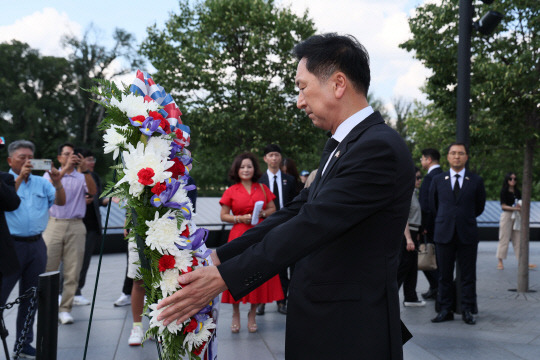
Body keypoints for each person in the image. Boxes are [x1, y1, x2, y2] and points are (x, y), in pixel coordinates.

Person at [157, 33, 414, 359]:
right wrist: (220, 257)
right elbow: (297, 210)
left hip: (349, 329)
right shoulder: (343, 144)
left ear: (337, 84)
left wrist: (224, 279)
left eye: (302, 87)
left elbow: (311, 225)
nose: (299, 101)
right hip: (328, 320)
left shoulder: (376, 147)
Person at [1, 140, 65, 359]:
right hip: (10, 246)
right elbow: (8, 200)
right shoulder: (5, 179)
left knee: (31, 297)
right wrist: (20, 177)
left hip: (37, 244)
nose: (28, 161)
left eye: (31, 157)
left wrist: (57, 183)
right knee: (2, 295)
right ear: (10, 160)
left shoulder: (42, 182)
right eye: (22, 157)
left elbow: (61, 202)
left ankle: (24, 343)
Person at [219, 153, 280, 332]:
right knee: (234, 273)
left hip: (258, 234)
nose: (246, 170)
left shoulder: (261, 188)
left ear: (254, 169)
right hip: (238, 235)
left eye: (249, 166)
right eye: (242, 167)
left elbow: (273, 209)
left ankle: (252, 313)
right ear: (237, 170)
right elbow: (223, 215)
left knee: (257, 272)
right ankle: (236, 312)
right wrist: (239, 218)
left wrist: (261, 214)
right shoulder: (231, 190)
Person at [429, 143, 486, 325]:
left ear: (466, 157)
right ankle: (445, 310)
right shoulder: (438, 180)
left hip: (467, 233)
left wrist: (462, 218)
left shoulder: (475, 180)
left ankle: (467, 310)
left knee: (468, 275)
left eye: (461, 153)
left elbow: (479, 207)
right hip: (444, 232)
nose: (457, 157)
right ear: (447, 157)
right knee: (444, 275)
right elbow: (433, 205)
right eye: (453, 153)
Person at [42, 143, 97, 325]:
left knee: (73, 271)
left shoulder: (82, 176)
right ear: (59, 158)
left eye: (74, 154)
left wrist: (84, 170)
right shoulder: (49, 174)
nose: (71, 157)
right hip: (54, 224)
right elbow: (48, 189)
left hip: (76, 224)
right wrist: (64, 170)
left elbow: (93, 191)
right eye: (67, 154)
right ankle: (48, 308)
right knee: (49, 269)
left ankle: (65, 309)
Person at [257, 144, 297, 315]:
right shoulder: (259, 181)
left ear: (280, 158)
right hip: (264, 227)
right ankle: (261, 303)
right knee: (262, 265)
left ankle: (282, 301)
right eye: (270, 155)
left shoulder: (290, 180)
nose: (274, 158)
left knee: (283, 265)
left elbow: (296, 204)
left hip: (286, 227)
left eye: (276, 155)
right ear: (265, 159)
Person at [73, 149, 109, 305]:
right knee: (72, 261)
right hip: (76, 224)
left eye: (93, 159)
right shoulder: (71, 176)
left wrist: (111, 198)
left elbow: (98, 199)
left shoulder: (93, 177)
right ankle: (64, 291)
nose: (92, 162)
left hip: (93, 225)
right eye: (88, 159)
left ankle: (77, 291)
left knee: (85, 261)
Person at [397, 167, 425, 307]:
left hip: (413, 233)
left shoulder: (413, 193)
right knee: (404, 266)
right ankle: (389, 295)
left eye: (420, 177)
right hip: (407, 234)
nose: (419, 180)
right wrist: (408, 238)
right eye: (417, 177)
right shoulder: (406, 194)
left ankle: (410, 297)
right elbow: (403, 218)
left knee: (411, 267)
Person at [495, 172, 535, 270]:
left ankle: (521, 261)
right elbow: (503, 206)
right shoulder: (504, 191)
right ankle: (500, 261)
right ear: (507, 180)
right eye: (510, 179)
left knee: (518, 239)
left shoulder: (517, 192)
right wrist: (515, 209)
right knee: (504, 238)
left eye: (514, 179)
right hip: (507, 215)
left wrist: (520, 208)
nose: (513, 181)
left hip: (517, 216)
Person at [418, 148, 442, 300]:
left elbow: (425, 205)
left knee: (426, 257)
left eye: (422, 158)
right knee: (436, 258)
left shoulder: (430, 178)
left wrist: (423, 227)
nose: (421, 161)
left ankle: (437, 287)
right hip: (442, 224)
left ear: (429, 159)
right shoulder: (443, 175)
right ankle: (435, 287)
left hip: (430, 225)